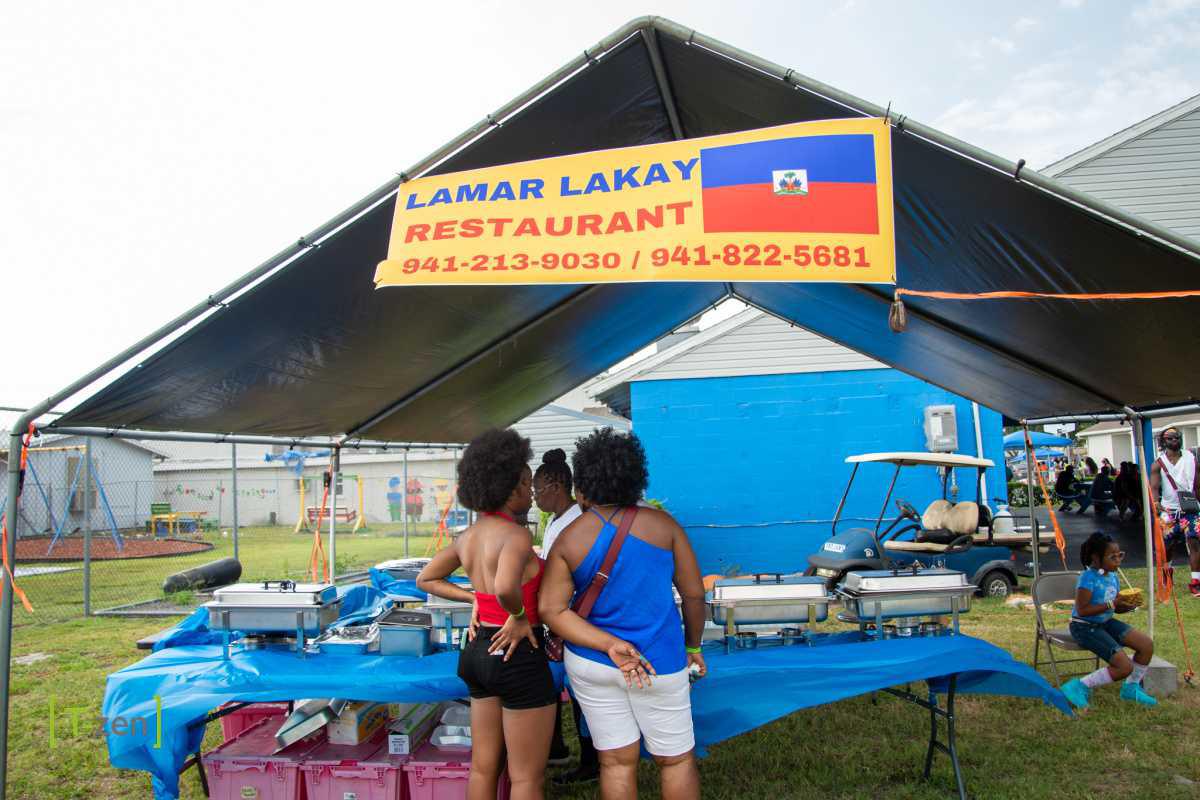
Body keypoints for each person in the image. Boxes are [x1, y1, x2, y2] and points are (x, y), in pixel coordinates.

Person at [540, 428, 707, 800]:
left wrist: (609, 643)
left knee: (615, 762)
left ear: (582, 483)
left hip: (592, 663)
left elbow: (551, 610)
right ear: (635, 475)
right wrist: (693, 646)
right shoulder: (665, 527)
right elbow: (694, 596)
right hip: (658, 661)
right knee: (676, 761)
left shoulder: (570, 538)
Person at [417, 428, 556, 800]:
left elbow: (426, 578)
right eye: (527, 483)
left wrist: (472, 598)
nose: (531, 491)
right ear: (510, 487)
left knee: (483, 766)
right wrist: (520, 615)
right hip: (516, 654)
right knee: (526, 778)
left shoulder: (468, 536)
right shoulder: (516, 536)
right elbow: (507, 587)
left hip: (477, 651)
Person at [530, 448, 596, 781]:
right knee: (553, 688)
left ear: (555, 485)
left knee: (581, 694)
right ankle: (557, 747)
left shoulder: (577, 521)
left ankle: (591, 760)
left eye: (536, 489)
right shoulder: (554, 521)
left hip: (571, 619)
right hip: (555, 620)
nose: (533, 497)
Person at [1060, 533, 1157, 708]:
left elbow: (1114, 608)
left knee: (1146, 645)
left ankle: (1131, 688)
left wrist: (1127, 605)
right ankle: (1078, 686)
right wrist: (1112, 603)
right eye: (1113, 557)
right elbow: (1082, 611)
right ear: (1096, 558)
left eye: (1120, 555)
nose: (1118, 560)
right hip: (1084, 627)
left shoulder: (1112, 576)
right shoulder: (1088, 578)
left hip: (1104, 623)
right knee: (1124, 667)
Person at [1150, 426, 1200, 598]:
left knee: (1194, 543)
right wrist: (1155, 502)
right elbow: (1154, 487)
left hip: (1190, 510)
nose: (1174, 441)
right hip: (1168, 511)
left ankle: (1196, 582)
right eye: (1170, 438)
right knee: (1167, 547)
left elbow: (1198, 484)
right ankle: (1167, 578)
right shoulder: (1158, 464)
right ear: (1163, 441)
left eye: (1177, 437)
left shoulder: (1191, 459)